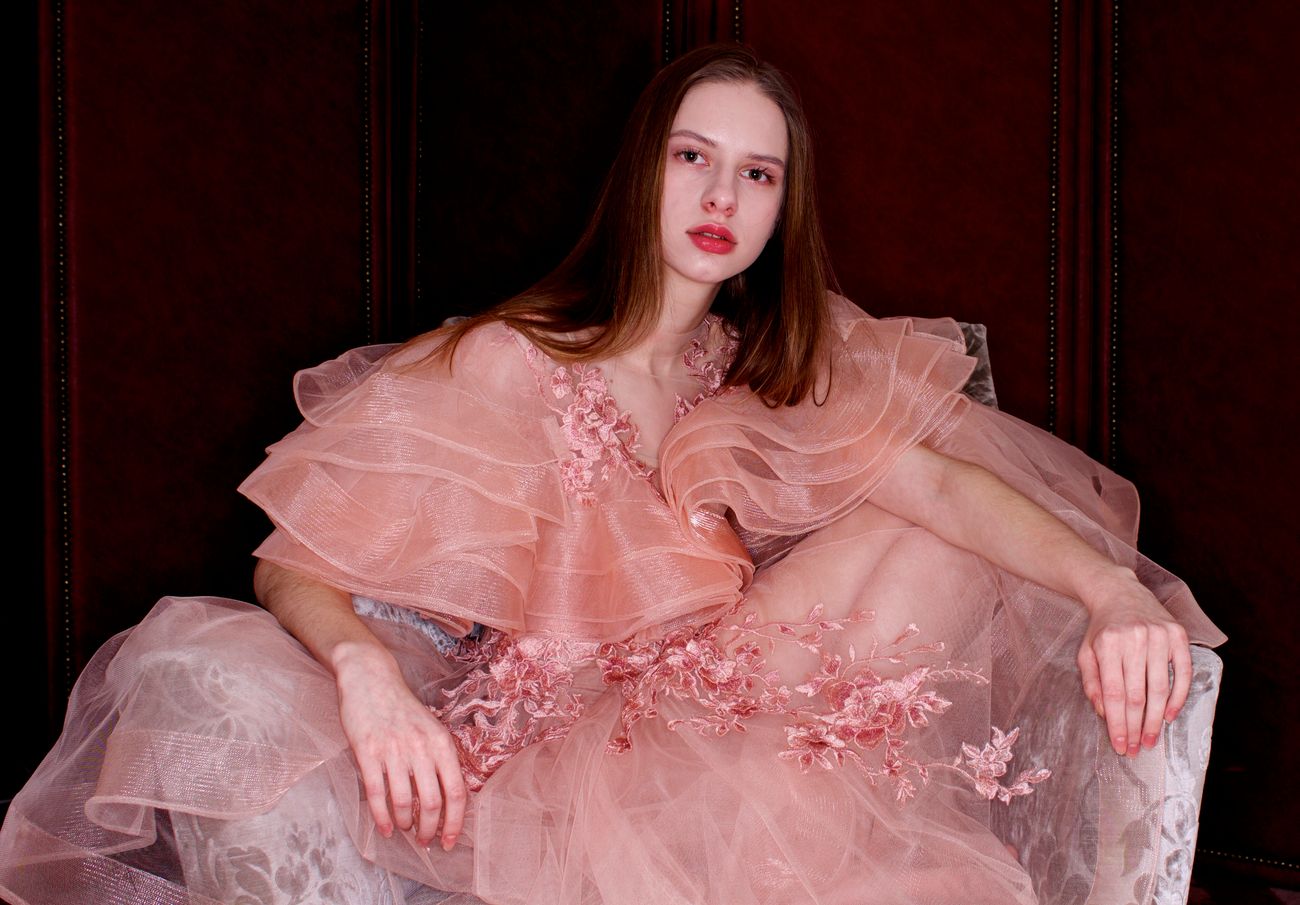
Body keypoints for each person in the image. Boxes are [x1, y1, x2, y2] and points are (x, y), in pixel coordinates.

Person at [0, 44, 1224, 905]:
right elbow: (291, 566)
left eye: (758, 174)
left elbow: (944, 488)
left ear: (781, 210)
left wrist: (1110, 590)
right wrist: (369, 676)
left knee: (930, 528)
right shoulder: (509, 359)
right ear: (643, 169)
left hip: (721, 721)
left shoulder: (753, 371)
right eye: (694, 156)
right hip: (561, 767)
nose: (721, 195)